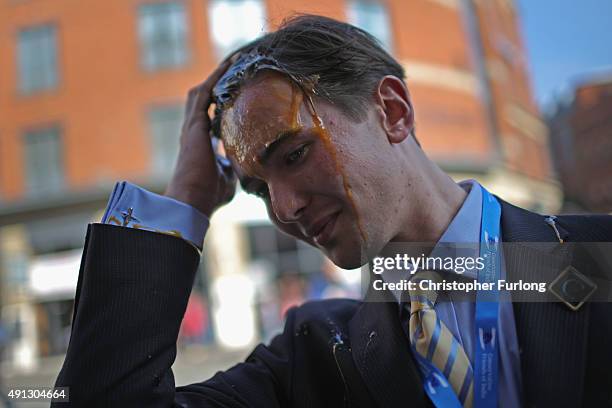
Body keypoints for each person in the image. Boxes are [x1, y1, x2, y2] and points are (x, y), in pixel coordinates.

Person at [53, 15, 612, 407]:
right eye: (258, 189)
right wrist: (186, 197)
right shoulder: (311, 360)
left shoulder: (600, 258)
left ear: (392, 112)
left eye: (295, 154)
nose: (285, 207)